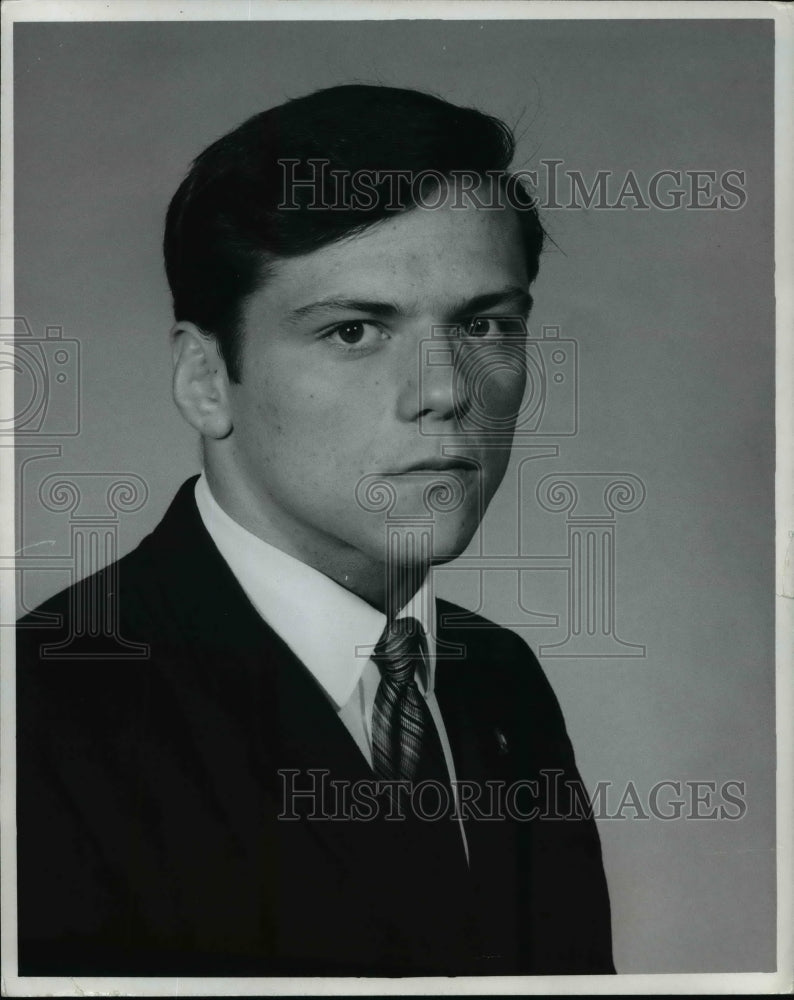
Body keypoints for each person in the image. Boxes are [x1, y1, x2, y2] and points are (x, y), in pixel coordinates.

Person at [16, 84, 615, 977]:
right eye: (353, 331)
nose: (447, 390)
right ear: (206, 380)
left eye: (486, 324)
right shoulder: (37, 716)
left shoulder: (500, 686)